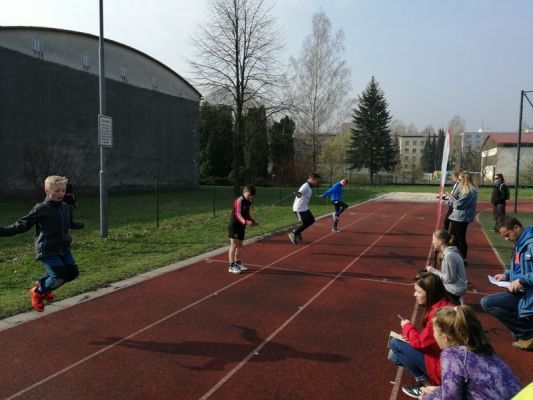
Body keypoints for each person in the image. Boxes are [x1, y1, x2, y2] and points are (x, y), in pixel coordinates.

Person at [0, 176, 84, 312]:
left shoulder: (65, 207)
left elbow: (70, 223)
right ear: (47, 191)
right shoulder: (41, 209)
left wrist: (79, 224)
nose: (61, 194)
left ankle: (43, 284)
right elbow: (22, 225)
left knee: (72, 273)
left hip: (63, 248)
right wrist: (2, 231)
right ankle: (38, 291)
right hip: (47, 249)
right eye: (56, 191)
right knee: (60, 276)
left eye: (63, 191)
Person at [420, 305, 522, 400]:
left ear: (445, 337)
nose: (433, 335)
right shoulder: (483, 348)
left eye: (433, 331)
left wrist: (428, 397)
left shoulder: (452, 355)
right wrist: (439, 391)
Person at [388, 273, 456, 398]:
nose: (414, 294)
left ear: (430, 293)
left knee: (394, 345)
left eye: (418, 292)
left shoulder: (438, 316)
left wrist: (407, 326)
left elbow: (420, 343)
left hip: (442, 365)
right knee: (394, 354)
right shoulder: (446, 304)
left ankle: (427, 386)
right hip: (446, 361)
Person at [480, 216, 533, 350]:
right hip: (524, 292)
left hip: (529, 294)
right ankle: (526, 329)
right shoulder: (520, 243)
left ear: (516, 228)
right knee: (515, 334)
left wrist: (522, 281)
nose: (506, 239)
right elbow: (519, 267)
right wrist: (507, 275)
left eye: (508, 235)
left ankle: (528, 334)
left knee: (487, 303)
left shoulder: (530, 245)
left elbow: (525, 274)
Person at [425, 229, 467, 304]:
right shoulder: (451, 251)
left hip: (455, 289)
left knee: (430, 285)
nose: (432, 242)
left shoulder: (449, 256)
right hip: (458, 287)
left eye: (434, 239)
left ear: (441, 241)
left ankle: (452, 302)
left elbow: (450, 279)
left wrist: (433, 271)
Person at [227, 184, 258, 274]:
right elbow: (238, 213)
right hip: (234, 225)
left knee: (240, 245)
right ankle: (231, 266)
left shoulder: (248, 202)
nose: (250, 197)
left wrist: (253, 221)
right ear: (245, 192)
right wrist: (245, 222)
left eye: (252, 196)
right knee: (234, 245)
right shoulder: (239, 200)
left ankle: (238, 263)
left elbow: (247, 214)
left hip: (241, 226)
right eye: (249, 195)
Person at [448, 172, 478, 264]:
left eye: (460, 179)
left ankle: (462, 258)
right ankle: (457, 256)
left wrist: (450, 199)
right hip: (458, 216)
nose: (459, 181)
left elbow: (458, 204)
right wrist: (453, 198)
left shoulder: (468, 190)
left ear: (464, 180)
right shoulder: (468, 189)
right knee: (454, 236)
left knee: (460, 238)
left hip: (461, 217)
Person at [289, 172, 320, 244]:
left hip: (304, 208)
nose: (317, 182)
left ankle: (297, 232)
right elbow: (299, 193)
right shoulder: (305, 186)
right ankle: (294, 233)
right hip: (299, 208)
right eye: (317, 181)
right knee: (306, 222)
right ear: (312, 179)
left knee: (311, 220)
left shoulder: (309, 186)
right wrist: (298, 194)